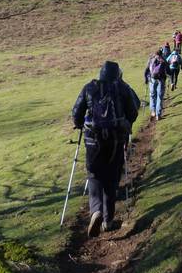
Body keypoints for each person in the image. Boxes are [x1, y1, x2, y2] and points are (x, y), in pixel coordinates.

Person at [72, 61, 140, 238]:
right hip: (116, 141)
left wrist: (80, 124)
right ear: (117, 74)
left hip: (93, 142)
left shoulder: (89, 87)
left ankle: (96, 211)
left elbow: (76, 113)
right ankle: (108, 221)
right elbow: (133, 112)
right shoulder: (122, 88)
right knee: (111, 178)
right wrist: (125, 122)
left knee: (94, 176)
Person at [144, 50, 168, 121]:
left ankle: (153, 111)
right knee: (160, 97)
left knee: (152, 95)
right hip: (161, 80)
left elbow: (146, 70)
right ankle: (158, 115)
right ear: (162, 54)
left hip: (152, 80)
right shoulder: (163, 60)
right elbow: (168, 70)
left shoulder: (151, 60)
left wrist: (146, 79)